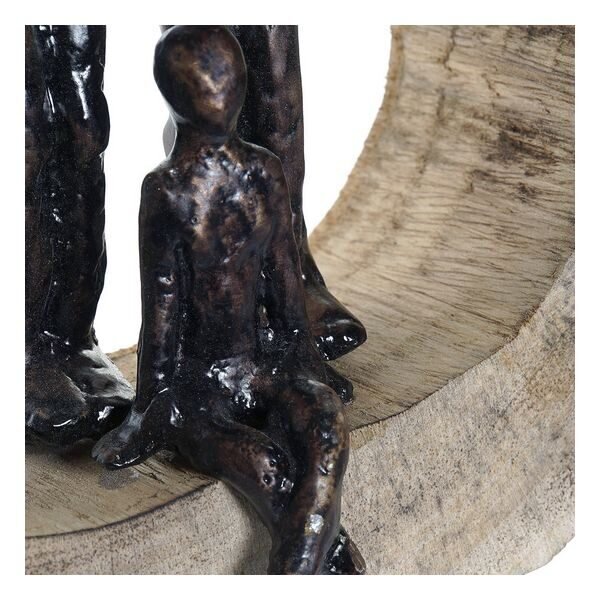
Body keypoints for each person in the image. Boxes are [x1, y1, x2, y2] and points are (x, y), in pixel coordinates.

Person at [92, 25, 364, 575]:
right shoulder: (167, 192)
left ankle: (304, 565)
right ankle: (325, 564)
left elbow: (285, 280)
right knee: (263, 463)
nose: (223, 92)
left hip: (261, 366)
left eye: (229, 77)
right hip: (197, 389)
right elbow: (162, 305)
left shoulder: (263, 172)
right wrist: (152, 404)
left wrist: (302, 359)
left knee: (327, 427)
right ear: (177, 95)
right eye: (208, 81)